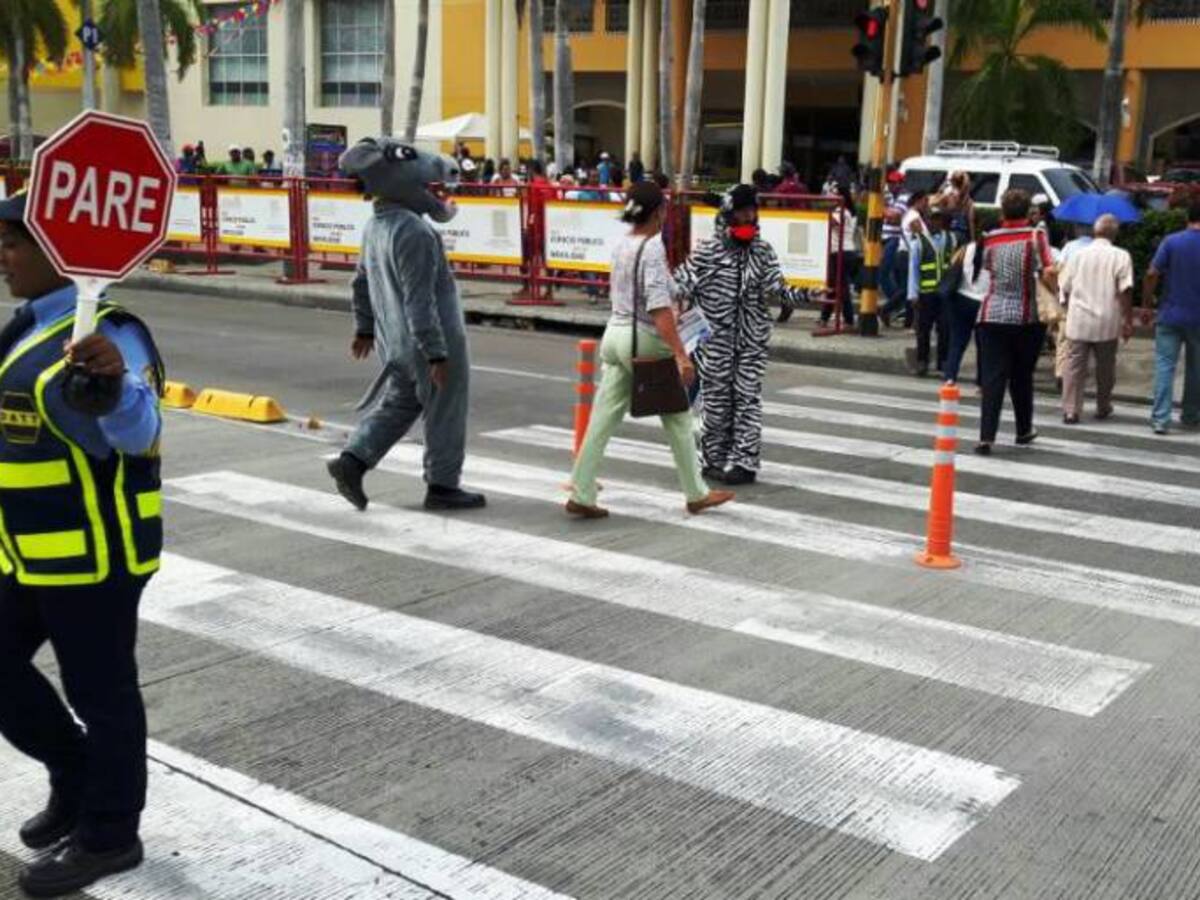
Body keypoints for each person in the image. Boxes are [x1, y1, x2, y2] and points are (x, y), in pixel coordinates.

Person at [0, 192, 165, 897]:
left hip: (96, 556)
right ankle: (74, 775)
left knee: (104, 695)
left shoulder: (111, 331)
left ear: (55, 249)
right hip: (27, 553)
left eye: (13, 242)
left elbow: (142, 433)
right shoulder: (31, 325)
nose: (2, 257)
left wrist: (114, 388)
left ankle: (110, 833)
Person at [327, 138, 486, 512]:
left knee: (400, 403)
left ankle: (353, 460)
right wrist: (436, 353)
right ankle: (443, 485)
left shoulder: (375, 226)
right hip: (427, 342)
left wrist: (365, 328)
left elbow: (360, 282)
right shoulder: (414, 231)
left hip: (394, 341)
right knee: (446, 409)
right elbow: (420, 300)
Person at [567, 181, 732, 517]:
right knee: (678, 418)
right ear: (659, 212)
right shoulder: (653, 247)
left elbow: (662, 289)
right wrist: (681, 355)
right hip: (642, 338)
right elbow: (658, 308)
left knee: (603, 417)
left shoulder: (623, 243)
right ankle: (696, 493)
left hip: (615, 335)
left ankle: (582, 491)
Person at [675, 185, 802, 485]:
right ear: (728, 215)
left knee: (747, 398)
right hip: (714, 342)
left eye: (752, 212)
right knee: (716, 399)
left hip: (751, 340)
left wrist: (805, 294)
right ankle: (713, 460)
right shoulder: (707, 252)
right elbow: (680, 283)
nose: (749, 217)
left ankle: (745, 463)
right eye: (743, 212)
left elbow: (777, 287)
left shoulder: (762, 251)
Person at [973, 189, 1057, 454]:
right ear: (1028, 212)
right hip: (1026, 316)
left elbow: (986, 270)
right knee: (1022, 375)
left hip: (991, 313)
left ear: (1003, 211)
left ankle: (986, 436)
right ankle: (1023, 429)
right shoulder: (1035, 236)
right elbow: (1048, 270)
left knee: (993, 377)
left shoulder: (990, 238)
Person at [1058, 214, 1135, 424]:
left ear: (1095, 231)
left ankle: (1071, 410)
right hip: (1107, 321)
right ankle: (1103, 405)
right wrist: (1128, 320)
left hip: (1078, 320)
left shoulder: (1078, 255)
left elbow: (1064, 287)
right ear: (1115, 234)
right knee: (1105, 367)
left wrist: (1068, 309)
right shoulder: (1121, 256)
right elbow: (1126, 290)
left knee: (1074, 366)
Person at [1142, 198, 1200, 434]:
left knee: (1165, 366)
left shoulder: (1171, 241)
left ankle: (1160, 419)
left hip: (1170, 314)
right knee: (1196, 369)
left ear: (1188, 218)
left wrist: (1147, 305)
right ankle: (1191, 414)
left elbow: (1152, 273)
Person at [905, 207, 959, 377]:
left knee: (945, 328)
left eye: (938, 218)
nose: (935, 222)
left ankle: (943, 363)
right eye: (931, 219)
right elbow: (913, 270)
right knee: (923, 329)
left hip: (945, 294)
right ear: (926, 221)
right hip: (926, 293)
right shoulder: (918, 242)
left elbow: (955, 266)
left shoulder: (951, 239)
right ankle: (922, 361)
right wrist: (913, 294)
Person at [821, 183, 860, 328]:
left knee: (841, 287)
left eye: (834, 193)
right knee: (835, 286)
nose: (831, 195)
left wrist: (822, 209)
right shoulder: (845, 211)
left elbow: (834, 222)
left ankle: (848, 319)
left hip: (840, 252)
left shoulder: (841, 211)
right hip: (842, 252)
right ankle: (825, 317)